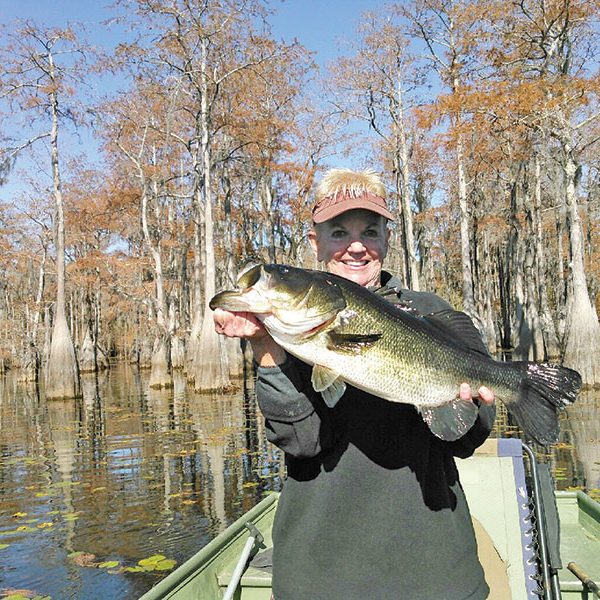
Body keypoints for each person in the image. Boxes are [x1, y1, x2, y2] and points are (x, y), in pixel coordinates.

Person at [213, 168, 496, 600]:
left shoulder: (428, 311)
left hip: (435, 572)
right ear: (316, 242)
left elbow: (465, 439)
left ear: (386, 238)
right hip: (322, 576)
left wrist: (473, 405)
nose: (357, 246)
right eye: (340, 231)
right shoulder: (285, 328)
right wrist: (265, 346)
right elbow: (302, 442)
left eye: (370, 230)